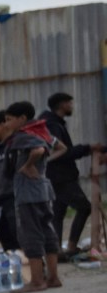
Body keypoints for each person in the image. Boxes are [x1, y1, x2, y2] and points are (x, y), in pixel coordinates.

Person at [1, 101, 60, 290]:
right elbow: (59, 147)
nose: (7, 124)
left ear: (23, 119)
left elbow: (39, 150)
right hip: (43, 189)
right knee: (47, 232)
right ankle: (53, 277)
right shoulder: (41, 130)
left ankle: (36, 280)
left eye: (9, 120)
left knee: (31, 234)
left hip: (28, 192)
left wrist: (27, 166)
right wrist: (40, 165)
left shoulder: (23, 135)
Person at [38, 92, 93, 263]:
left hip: (56, 176)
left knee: (58, 213)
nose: (71, 106)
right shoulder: (53, 125)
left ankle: (56, 252)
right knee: (84, 207)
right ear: (61, 105)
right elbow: (62, 153)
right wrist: (87, 148)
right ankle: (70, 247)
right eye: (69, 103)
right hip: (61, 176)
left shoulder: (52, 123)